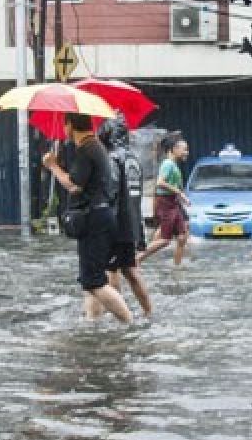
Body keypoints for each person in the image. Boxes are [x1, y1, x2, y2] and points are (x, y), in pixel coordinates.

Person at [43, 112, 133, 323]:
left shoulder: (87, 149)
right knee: (90, 280)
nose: (63, 131)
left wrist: (53, 166)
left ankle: (129, 322)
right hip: (100, 216)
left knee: (94, 282)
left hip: (94, 219)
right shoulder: (95, 147)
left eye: (64, 125)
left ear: (70, 125)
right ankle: (92, 323)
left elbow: (74, 185)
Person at [91, 116, 152, 317]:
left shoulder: (112, 159)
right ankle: (148, 312)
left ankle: (118, 312)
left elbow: (111, 192)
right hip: (132, 224)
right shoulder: (133, 159)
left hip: (115, 224)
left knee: (106, 271)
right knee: (129, 271)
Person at [138, 134, 190, 266]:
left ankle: (176, 267)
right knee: (165, 240)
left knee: (182, 237)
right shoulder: (167, 164)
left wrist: (180, 196)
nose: (187, 153)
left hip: (173, 203)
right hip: (166, 203)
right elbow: (160, 183)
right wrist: (180, 193)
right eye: (184, 149)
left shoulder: (173, 164)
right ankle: (135, 260)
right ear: (174, 149)